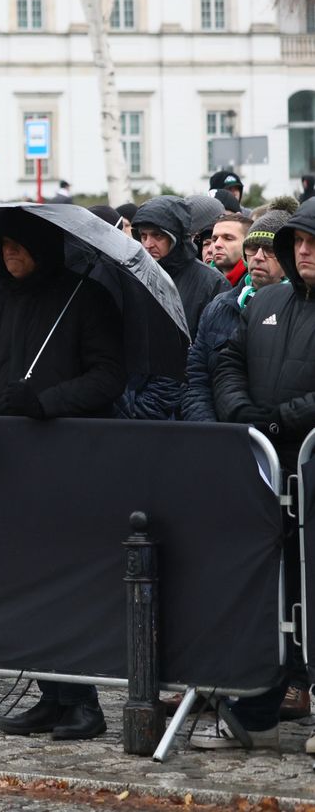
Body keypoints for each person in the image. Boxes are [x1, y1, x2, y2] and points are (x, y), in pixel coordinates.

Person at [0, 209, 126, 741]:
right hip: (10, 461)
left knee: (64, 582)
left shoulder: (85, 299)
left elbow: (109, 376)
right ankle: (50, 694)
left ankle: (83, 701)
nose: (9, 255)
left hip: (67, 460)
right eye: (3, 247)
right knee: (24, 582)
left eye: (19, 246)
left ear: (42, 247)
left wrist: (44, 402)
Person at [200, 201, 315, 751]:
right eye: (300, 241)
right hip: (267, 477)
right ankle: (257, 711)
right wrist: (241, 412)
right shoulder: (266, 301)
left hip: (306, 472)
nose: (306, 250)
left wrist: (283, 420)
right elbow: (225, 361)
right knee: (271, 594)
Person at [182, 208, 290, 423]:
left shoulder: (302, 309)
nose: (258, 257)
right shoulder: (219, 306)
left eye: (269, 249)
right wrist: (210, 429)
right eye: (252, 248)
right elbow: (196, 379)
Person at [130, 195, 230, 335]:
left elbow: (216, 343)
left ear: (176, 238)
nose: (148, 245)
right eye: (143, 236)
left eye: (157, 235)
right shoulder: (134, 275)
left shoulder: (212, 283)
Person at [208, 212, 251, 287]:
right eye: (214, 239)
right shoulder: (203, 279)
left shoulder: (255, 284)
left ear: (248, 243)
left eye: (228, 238)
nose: (217, 244)